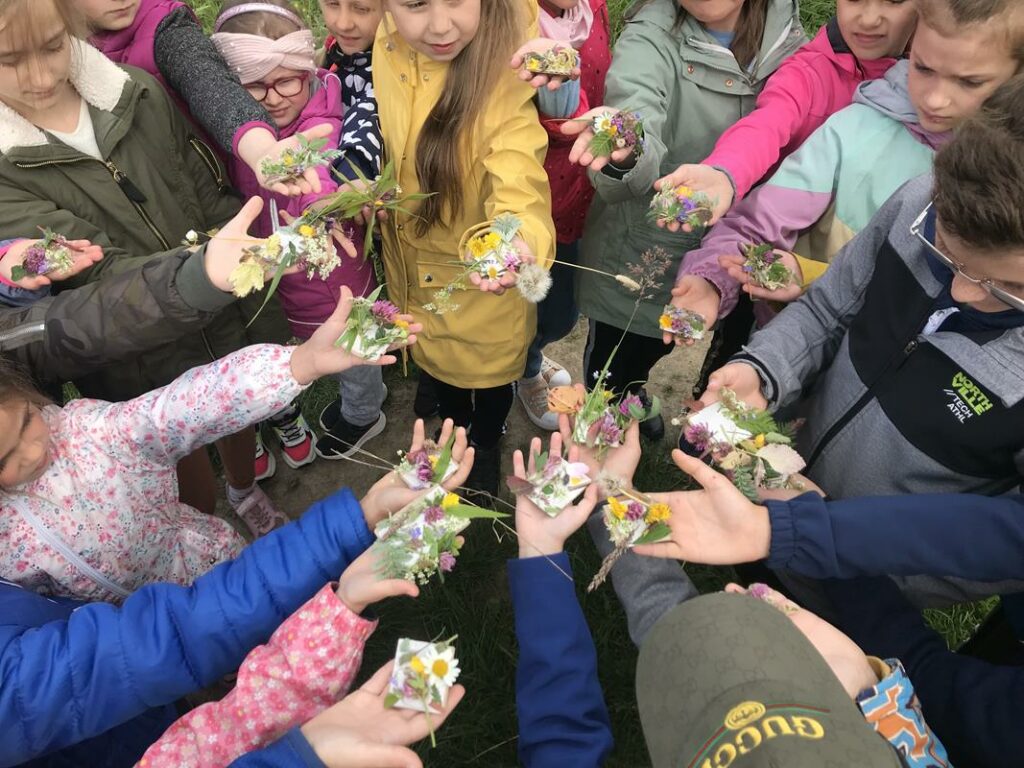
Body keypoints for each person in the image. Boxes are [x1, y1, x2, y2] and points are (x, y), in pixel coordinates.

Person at [701, 75, 1024, 607]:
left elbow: (1007, 541)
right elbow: (828, 307)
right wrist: (764, 369)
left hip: (869, 587)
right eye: (944, 251)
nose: (962, 292)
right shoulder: (917, 202)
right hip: (776, 494)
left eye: (1009, 286)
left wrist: (867, 574)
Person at [0, 418, 471, 768]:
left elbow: (226, 724)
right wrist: (302, 755)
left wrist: (341, 604)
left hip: (148, 719)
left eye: (25, 419)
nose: (32, 447)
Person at [0, 0, 290, 522]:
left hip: (221, 303)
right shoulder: (5, 172)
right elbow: (96, 269)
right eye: (9, 60)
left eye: (53, 46)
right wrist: (201, 272)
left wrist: (237, 265)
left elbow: (206, 185)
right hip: (134, 352)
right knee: (173, 454)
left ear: (73, 25)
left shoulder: (136, 91)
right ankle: (197, 525)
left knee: (235, 407)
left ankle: (244, 489)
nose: (40, 76)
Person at [0, 287, 419, 603]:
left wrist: (298, 364)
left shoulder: (88, 431)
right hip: (139, 631)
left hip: (214, 562)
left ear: (28, 394)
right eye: (4, 459)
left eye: (27, 421)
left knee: (272, 611)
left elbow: (189, 403)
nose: (32, 451)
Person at [671, 0, 1022, 331]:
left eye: (970, 82)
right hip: (786, 342)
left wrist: (809, 276)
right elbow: (757, 217)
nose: (935, 99)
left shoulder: (1011, 179)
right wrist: (711, 276)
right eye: (923, 68)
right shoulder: (855, 127)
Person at [560, 0, 806, 444]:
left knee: (670, 350)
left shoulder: (789, 38)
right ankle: (611, 422)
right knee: (616, 364)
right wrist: (627, 149)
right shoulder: (650, 37)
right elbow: (636, 108)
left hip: (733, 260)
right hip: (645, 258)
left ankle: (637, 398)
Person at [373, 0, 556, 498]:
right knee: (445, 380)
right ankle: (455, 433)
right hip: (413, 274)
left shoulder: (508, 64)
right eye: (415, 4)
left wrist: (516, 236)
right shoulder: (386, 41)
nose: (440, 26)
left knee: (491, 384)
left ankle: (487, 440)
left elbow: (518, 171)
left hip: (481, 287)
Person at [212, 0, 384, 475]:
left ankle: (364, 414)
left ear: (308, 70)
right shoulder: (242, 132)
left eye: (287, 80)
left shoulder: (320, 120)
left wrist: (320, 209)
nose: (272, 98)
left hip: (334, 276)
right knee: (316, 344)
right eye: (254, 86)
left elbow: (319, 173)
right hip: (282, 276)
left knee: (355, 350)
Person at [655, 0, 917, 228]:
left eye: (894, 0)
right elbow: (767, 124)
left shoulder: (935, 87)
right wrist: (725, 173)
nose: (869, 19)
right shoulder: (808, 74)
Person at [77, 0, 328, 198]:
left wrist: (261, 149)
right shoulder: (61, 49)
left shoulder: (167, 26)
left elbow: (210, 85)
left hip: (200, 192)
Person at [507, 0, 612, 431]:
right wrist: (564, 98)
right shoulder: (505, 19)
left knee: (562, 308)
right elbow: (556, 120)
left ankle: (527, 356)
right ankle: (521, 370)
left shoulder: (592, 8)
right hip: (531, 195)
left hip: (581, 187)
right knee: (529, 305)